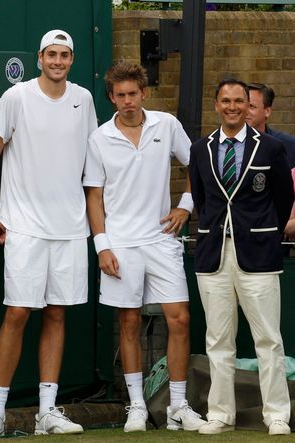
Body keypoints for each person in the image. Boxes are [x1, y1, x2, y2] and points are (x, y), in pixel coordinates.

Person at [0, 29, 97, 438]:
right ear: (39, 58)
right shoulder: (17, 97)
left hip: (70, 228)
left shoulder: (84, 100)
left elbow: (95, 163)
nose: (58, 61)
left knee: (57, 313)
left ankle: (46, 412)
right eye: (51, 55)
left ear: (71, 60)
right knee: (18, 313)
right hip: (23, 226)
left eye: (65, 55)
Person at [83, 61, 207, 433]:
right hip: (120, 244)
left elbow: (198, 169)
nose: (127, 101)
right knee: (128, 321)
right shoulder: (99, 138)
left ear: (144, 93)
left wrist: (184, 208)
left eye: (132, 94)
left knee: (180, 319)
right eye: (120, 96)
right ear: (111, 98)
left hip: (162, 240)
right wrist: (102, 246)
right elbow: (94, 196)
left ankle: (178, 406)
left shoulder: (166, 125)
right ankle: (136, 405)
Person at [189, 78, 294, 436]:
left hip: (259, 254)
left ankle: (276, 414)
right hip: (213, 253)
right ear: (216, 104)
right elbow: (203, 201)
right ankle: (220, 414)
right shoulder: (201, 148)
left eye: (240, 101)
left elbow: (282, 199)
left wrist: (263, 231)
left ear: (249, 107)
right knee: (218, 339)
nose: (233, 107)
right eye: (226, 101)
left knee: (268, 338)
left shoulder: (271, 148)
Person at [246, 83, 295, 168]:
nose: (245, 111)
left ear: (267, 111)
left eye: (251, 106)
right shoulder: (225, 144)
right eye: (243, 105)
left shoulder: (289, 146)